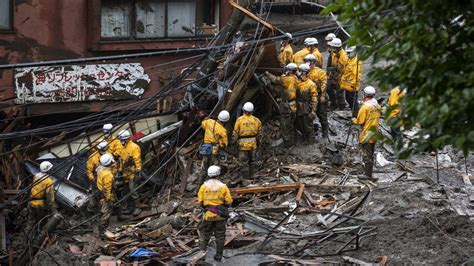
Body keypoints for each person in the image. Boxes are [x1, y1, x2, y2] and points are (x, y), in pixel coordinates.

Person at [198, 165, 233, 262]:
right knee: (220, 236)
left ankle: (201, 256)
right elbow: (228, 201)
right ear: (218, 174)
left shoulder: (203, 186)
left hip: (208, 215)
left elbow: (200, 202)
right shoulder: (223, 186)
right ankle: (218, 257)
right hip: (220, 216)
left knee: (205, 236)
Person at [265, 63, 299, 147]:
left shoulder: (288, 79)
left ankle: (287, 144)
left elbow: (275, 80)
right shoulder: (295, 78)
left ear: (290, 71)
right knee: (291, 124)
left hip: (287, 106)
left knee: (285, 125)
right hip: (293, 105)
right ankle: (293, 141)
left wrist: (267, 73)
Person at [352, 86, 381, 181]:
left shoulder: (365, 108)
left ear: (365, 94)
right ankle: (369, 173)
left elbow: (360, 121)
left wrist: (353, 119)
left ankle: (368, 175)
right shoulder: (377, 105)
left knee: (367, 155)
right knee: (371, 154)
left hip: (366, 134)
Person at [199, 111, 230, 186]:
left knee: (204, 170)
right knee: (214, 169)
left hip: (205, 149)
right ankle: (212, 186)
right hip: (214, 151)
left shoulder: (209, 121)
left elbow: (202, 125)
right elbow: (224, 144)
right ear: (226, 121)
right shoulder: (222, 130)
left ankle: (199, 188)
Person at [232, 102, 262, 180]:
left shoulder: (239, 120)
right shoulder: (256, 120)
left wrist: (233, 142)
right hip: (253, 144)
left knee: (244, 163)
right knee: (253, 161)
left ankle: (246, 179)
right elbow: (260, 134)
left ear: (243, 110)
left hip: (243, 145)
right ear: (252, 111)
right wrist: (259, 143)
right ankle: (253, 177)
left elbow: (235, 133)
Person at [116, 130, 142, 215]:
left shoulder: (134, 147)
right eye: (120, 140)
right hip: (124, 173)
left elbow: (137, 160)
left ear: (127, 139)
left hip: (132, 173)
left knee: (133, 190)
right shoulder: (121, 146)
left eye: (122, 140)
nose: (121, 142)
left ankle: (138, 208)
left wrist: (138, 170)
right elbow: (119, 156)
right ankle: (127, 208)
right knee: (125, 192)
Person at [304, 54, 329, 139]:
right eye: (306, 61)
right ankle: (311, 134)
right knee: (309, 115)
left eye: (310, 62)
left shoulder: (320, 72)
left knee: (322, 115)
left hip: (319, 95)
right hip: (309, 97)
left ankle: (325, 134)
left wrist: (323, 96)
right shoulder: (304, 71)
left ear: (314, 62)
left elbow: (324, 84)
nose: (308, 63)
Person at [29, 161, 57, 230]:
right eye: (51, 169)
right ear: (48, 169)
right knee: (41, 224)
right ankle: (38, 238)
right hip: (40, 205)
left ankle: (26, 238)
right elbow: (49, 197)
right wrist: (53, 209)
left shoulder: (36, 176)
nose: (52, 170)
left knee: (31, 223)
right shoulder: (49, 181)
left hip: (31, 203)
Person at [296, 63, 318, 144]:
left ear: (305, 73)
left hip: (306, 107)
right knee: (300, 124)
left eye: (302, 72)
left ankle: (311, 142)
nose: (300, 74)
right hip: (298, 107)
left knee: (308, 125)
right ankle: (304, 138)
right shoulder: (297, 82)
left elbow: (314, 99)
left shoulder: (311, 84)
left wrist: (313, 111)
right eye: (300, 72)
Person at [86, 141, 109, 212]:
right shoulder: (93, 158)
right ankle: (90, 208)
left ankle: (105, 207)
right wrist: (93, 180)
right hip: (96, 179)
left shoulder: (108, 154)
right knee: (95, 195)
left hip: (107, 177)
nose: (104, 152)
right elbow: (89, 171)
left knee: (107, 194)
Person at [340, 46, 363, 117]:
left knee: (353, 102)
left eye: (349, 53)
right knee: (348, 98)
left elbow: (357, 75)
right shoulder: (350, 60)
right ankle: (354, 112)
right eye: (347, 52)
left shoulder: (356, 63)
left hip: (352, 86)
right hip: (348, 85)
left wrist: (353, 84)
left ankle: (356, 115)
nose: (347, 54)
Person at [96, 153, 116, 235]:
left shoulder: (101, 170)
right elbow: (107, 189)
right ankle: (102, 231)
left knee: (102, 212)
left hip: (100, 193)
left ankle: (103, 228)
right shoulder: (108, 174)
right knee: (106, 214)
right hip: (104, 196)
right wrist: (109, 199)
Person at [327, 37, 349, 110]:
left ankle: (341, 106)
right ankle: (334, 103)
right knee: (328, 88)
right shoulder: (334, 52)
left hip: (340, 76)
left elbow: (341, 69)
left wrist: (332, 69)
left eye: (333, 47)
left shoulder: (344, 56)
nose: (332, 48)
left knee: (339, 93)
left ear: (337, 47)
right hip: (333, 75)